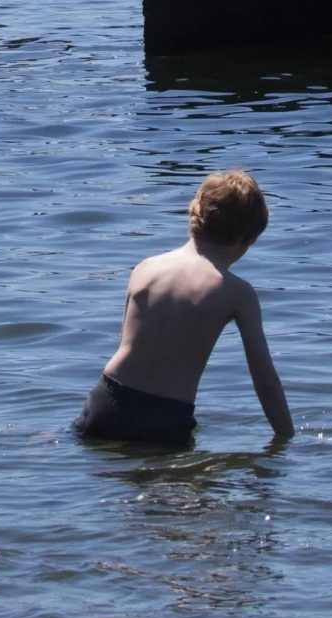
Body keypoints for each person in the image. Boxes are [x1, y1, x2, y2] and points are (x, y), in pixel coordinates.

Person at [74, 169, 294, 445]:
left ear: (194, 215)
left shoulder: (146, 268)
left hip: (106, 402)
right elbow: (265, 381)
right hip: (163, 418)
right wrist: (286, 438)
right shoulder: (236, 292)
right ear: (246, 238)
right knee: (176, 486)